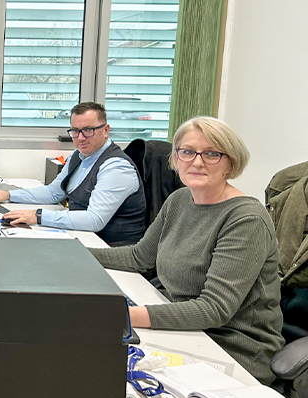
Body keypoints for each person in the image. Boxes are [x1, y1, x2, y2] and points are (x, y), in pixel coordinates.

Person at [89, 116, 283, 384]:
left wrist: (122, 316)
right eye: (188, 152)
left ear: (231, 163)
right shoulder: (180, 199)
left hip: (231, 348)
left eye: (212, 153)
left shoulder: (245, 219)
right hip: (184, 330)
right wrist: (75, 253)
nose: (197, 161)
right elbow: (138, 257)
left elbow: (214, 309)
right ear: (176, 158)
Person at [0, 102, 146, 246]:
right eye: (75, 131)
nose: (80, 138)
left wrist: (38, 216)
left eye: (88, 130)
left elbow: (93, 220)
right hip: (85, 237)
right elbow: (53, 192)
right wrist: (8, 195)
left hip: (111, 249)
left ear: (106, 130)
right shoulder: (79, 156)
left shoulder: (116, 168)